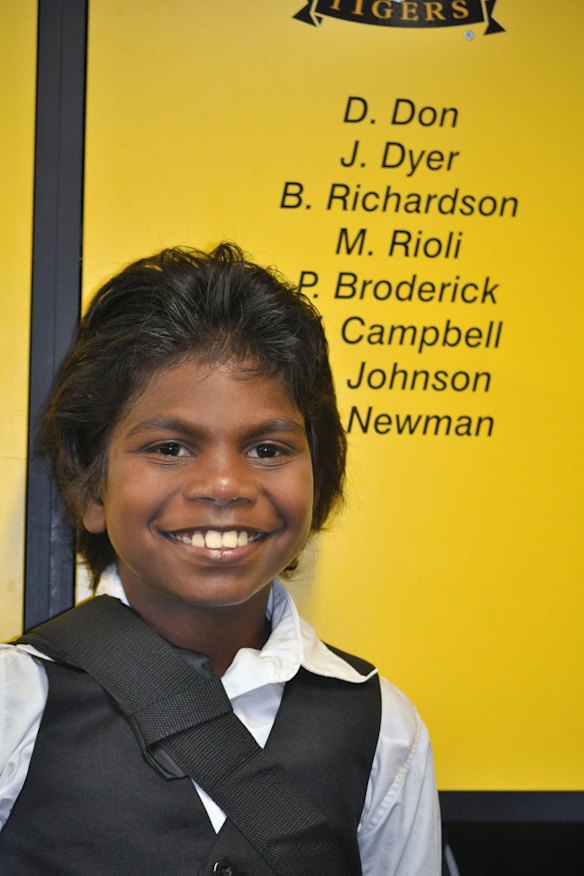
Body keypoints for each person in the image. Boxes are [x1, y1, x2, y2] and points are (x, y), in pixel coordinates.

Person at [0, 243, 440, 874]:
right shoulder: (16, 703)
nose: (226, 485)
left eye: (267, 449)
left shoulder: (383, 727)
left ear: (320, 480)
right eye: (170, 448)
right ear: (91, 489)